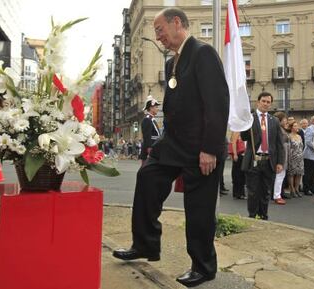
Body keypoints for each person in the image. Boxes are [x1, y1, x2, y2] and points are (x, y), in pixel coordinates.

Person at [112, 8, 229, 288]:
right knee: (147, 177)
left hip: (201, 147)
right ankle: (146, 244)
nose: (158, 36)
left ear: (177, 23)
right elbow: (175, 107)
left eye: (160, 29)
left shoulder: (203, 53)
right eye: (156, 32)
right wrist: (160, 145)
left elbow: (217, 104)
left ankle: (203, 266)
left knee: (198, 209)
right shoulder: (170, 63)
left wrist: (210, 149)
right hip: (174, 143)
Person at [241, 92, 284, 220]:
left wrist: (280, 162)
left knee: (266, 192)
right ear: (258, 102)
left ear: (270, 104)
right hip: (253, 160)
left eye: (268, 102)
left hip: (269, 161)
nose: (266, 104)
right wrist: (244, 124)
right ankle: (252, 216)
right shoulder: (250, 118)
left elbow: (279, 143)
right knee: (253, 192)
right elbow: (244, 137)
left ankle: (263, 216)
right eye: (263, 101)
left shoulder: (274, 121)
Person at [272, 111, 289, 205]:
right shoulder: (279, 130)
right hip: (281, 156)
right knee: (279, 176)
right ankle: (277, 196)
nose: (286, 121)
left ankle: (277, 194)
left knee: (280, 176)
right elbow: (280, 145)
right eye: (284, 119)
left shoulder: (281, 129)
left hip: (283, 155)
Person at [139, 95, 161, 164]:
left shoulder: (151, 119)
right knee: (146, 171)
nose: (158, 109)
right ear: (151, 108)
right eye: (156, 107)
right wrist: (149, 149)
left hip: (154, 149)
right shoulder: (147, 120)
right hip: (149, 150)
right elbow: (147, 136)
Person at [302, 115, 314, 196]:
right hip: (309, 154)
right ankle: (306, 188)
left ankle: (312, 187)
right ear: (312, 121)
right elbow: (308, 142)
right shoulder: (310, 129)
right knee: (308, 173)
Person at [287, 121, 304, 198]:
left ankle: (297, 189)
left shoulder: (299, 136)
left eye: (297, 126)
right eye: (295, 126)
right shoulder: (289, 136)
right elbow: (288, 148)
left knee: (299, 173)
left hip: (300, 156)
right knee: (291, 173)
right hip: (292, 156)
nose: (297, 127)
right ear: (291, 128)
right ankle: (292, 189)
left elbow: (302, 147)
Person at [229, 131, 246, 200]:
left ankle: (240, 193)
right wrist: (235, 154)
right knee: (237, 174)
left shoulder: (242, 130)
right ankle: (238, 193)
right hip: (239, 155)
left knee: (241, 174)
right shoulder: (237, 131)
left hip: (242, 155)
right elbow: (233, 143)